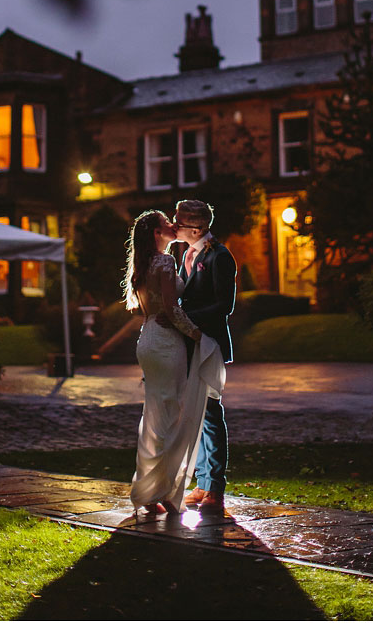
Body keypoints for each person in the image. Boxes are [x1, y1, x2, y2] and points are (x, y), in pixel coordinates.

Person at [125, 210, 226, 517]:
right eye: (166, 223)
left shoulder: (142, 264)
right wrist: (197, 336)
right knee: (173, 416)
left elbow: (149, 309)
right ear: (157, 233)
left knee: (154, 415)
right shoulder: (165, 262)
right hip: (167, 342)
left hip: (148, 340)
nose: (174, 225)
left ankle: (149, 490)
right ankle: (165, 490)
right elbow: (171, 308)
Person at [170, 198, 238, 517]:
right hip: (190, 342)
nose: (174, 226)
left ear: (195, 227)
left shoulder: (220, 257)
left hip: (208, 342)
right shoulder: (187, 253)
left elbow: (224, 305)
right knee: (194, 412)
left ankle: (216, 486)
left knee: (210, 412)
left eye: (179, 222)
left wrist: (185, 317)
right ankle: (202, 480)